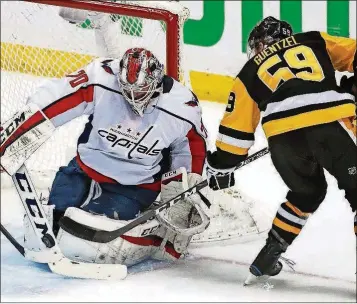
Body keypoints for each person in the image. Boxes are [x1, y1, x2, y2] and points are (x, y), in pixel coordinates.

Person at [1, 47, 209, 266]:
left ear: (156, 82)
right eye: (126, 88)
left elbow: (191, 147)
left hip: (135, 186)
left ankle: (155, 237)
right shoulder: (101, 79)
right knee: (54, 220)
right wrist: (12, 136)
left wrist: (184, 184)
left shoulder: (182, 106)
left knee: (86, 241)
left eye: (139, 91)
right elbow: (51, 100)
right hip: (85, 169)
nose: (131, 97)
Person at [205, 16, 356, 281]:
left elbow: (235, 133)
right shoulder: (313, 40)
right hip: (332, 122)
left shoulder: (249, 71)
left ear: (260, 44)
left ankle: (270, 253)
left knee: (305, 193)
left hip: (282, 137)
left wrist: (222, 164)